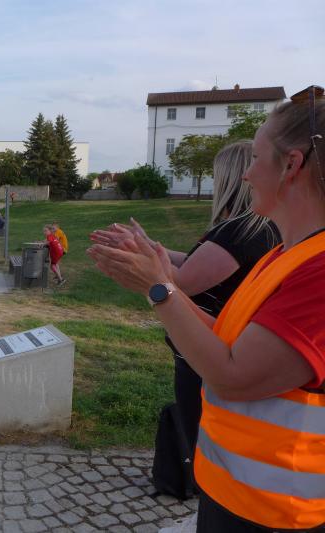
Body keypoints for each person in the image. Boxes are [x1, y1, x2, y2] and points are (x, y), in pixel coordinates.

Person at [88, 85, 325, 532]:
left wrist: (159, 288)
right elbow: (228, 337)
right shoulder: (287, 255)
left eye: (255, 158)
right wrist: (159, 276)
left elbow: (233, 375)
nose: (246, 175)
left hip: (280, 513)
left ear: (292, 165)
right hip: (234, 496)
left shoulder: (319, 271)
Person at [90, 141, 280, 468]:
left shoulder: (239, 231)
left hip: (205, 347)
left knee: (203, 438)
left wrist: (146, 272)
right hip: (217, 342)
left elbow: (183, 283)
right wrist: (151, 249)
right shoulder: (254, 228)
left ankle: (198, 484)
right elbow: (192, 263)